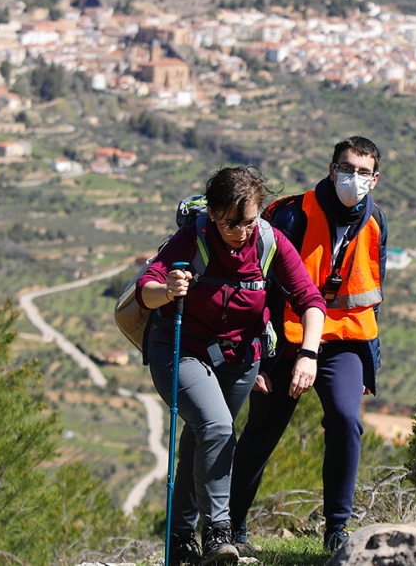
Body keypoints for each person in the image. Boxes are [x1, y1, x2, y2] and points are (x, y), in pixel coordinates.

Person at [136, 166, 326, 566]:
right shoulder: (194, 237)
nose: (241, 232)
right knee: (218, 427)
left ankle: (181, 535)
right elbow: (146, 287)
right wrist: (167, 288)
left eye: (249, 221)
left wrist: (308, 354)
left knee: (203, 438)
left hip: (240, 359)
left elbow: (310, 299)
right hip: (179, 349)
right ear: (214, 214)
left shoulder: (270, 242)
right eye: (231, 223)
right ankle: (218, 532)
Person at [229, 136, 387, 554]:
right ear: (332, 169)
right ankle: (231, 529)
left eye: (362, 172)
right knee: (262, 432)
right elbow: (255, 287)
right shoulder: (291, 216)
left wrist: (367, 366)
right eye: (345, 168)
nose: (352, 178)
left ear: (375, 179)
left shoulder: (375, 224)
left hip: (344, 341)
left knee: (345, 421)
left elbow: (372, 293)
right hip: (284, 338)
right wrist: (258, 359)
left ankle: (337, 530)